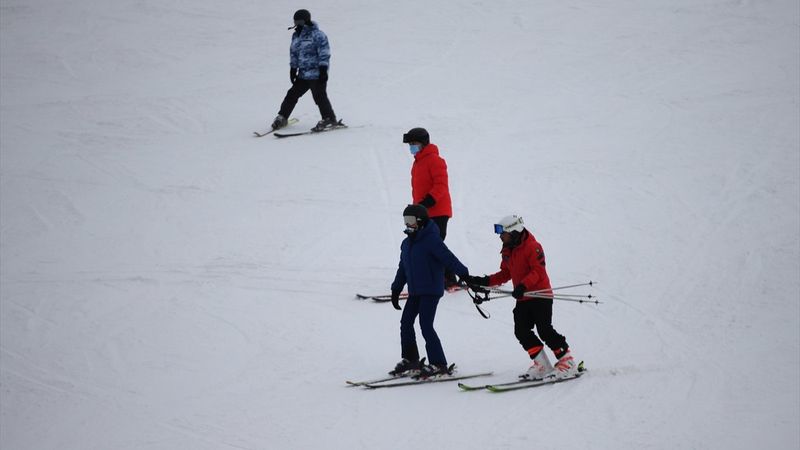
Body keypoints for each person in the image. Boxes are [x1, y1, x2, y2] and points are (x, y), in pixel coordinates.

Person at [463, 215, 578, 380]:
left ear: (514, 231)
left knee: (544, 330)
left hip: (539, 295)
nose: (500, 237)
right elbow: (505, 273)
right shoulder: (508, 250)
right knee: (521, 331)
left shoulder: (533, 247)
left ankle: (567, 362)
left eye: (503, 233)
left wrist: (523, 285)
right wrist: (483, 281)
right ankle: (542, 365)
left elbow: (538, 272)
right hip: (523, 298)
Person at [389, 204, 470, 378]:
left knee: (426, 325)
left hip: (431, 290)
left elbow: (448, 258)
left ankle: (438, 363)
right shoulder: (406, 243)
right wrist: (396, 288)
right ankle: (411, 359)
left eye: (410, 220)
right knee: (406, 322)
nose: (407, 224)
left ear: (420, 220)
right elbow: (403, 268)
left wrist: (464, 273)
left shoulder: (432, 240)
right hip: (416, 291)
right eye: (405, 220)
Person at [402, 127, 459, 289]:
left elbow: (441, 185)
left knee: (434, 245)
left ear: (424, 143)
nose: (411, 147)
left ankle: (450, 279)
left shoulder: (435, 160)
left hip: (438, 211)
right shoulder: (417, 163)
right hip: (424, 212)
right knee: (427, 246)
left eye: (414, 143)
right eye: (410, 144)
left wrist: (426, 202)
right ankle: (443, 277)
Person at [270, 9, 338, 132]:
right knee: (292, 95)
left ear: (306, 20)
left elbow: (324, 53)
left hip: (316, 74)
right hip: (302, 74)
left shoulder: (318, 34)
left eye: (299, 21)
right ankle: (282, 117)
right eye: (295, 21)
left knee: (319, 96)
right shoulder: (295, 36)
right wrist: (293, 68)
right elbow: (294, 53)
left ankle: (329, 119)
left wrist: (323, 69)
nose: (297, 23)